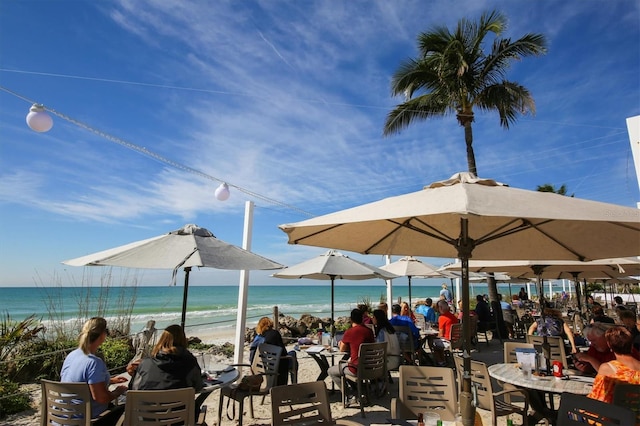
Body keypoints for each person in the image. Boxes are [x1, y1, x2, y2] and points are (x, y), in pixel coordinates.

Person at [60, 317, 128, 425]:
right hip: (85, 419)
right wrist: (118, 392)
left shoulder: (71, 355)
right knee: (127, 409)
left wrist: (110, 380)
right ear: (102, 335)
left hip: (62, 415)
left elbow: (79, 380)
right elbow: (101, 398)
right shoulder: (94, 362)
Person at [128, 324, 203, 392]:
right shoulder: (189, 362)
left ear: (162, 340)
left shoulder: (145, 363)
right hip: (179, 406)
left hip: (145, 406)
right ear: (183, 340)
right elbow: (198, 387)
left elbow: (133, 388)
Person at [587, 326, 640, 403]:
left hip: (616, 413)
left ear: (609, 345)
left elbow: (598, 398)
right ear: (631, 344)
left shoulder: (608, 368)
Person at [328, 309, 374, 395]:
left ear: (351, 320)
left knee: (331, 371)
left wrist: (340, 343)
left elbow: (342, 349)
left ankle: (348, 394)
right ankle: (357, 388)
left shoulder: (350, 332)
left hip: (356, 369)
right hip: (370, 366)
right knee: (348, 364)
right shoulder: (369, 331)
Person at [248, 317, 293, 386]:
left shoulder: (259, 338)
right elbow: (283, 350)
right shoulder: (275, 333)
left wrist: (252, 365)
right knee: (293, 354)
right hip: (281, 363)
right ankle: (294, 383)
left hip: (265, 365)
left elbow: (252, 352)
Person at [431, 300, 459, 366]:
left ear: (440, 308)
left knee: (432, 343)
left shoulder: (442, 318)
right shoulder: (453, 316)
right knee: (437, 341)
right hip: (457, 340)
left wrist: (433, 336)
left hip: (448, 341)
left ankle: (440, 361)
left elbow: (441, 334)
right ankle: (443, 359)